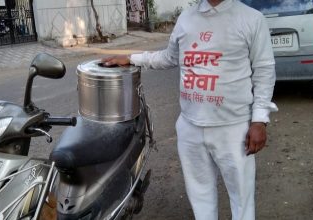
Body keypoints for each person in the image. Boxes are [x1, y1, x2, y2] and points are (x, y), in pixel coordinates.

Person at [102, 0, 278, 219]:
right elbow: (169, 57)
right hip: (190, 127)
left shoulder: (250, 19)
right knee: (200, 196)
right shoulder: (186, 18)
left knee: (242, 200)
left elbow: (264, 70)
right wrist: (131, 58)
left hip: (233, 129)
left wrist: (259, 120)